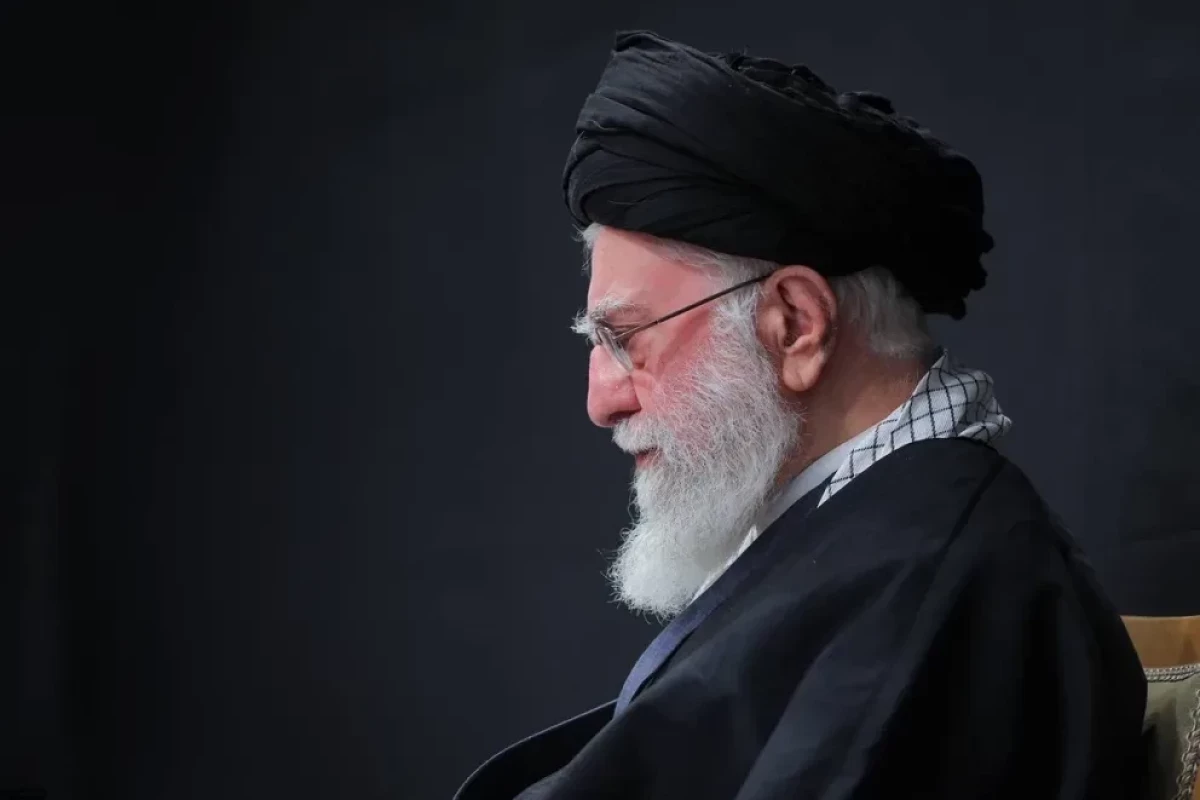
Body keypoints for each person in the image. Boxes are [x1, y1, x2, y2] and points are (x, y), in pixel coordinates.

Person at [455, 30, 1147, 800]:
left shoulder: (936, 584)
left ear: (794, 325)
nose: (600, 400)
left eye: (625, 339)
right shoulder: (868, 532)